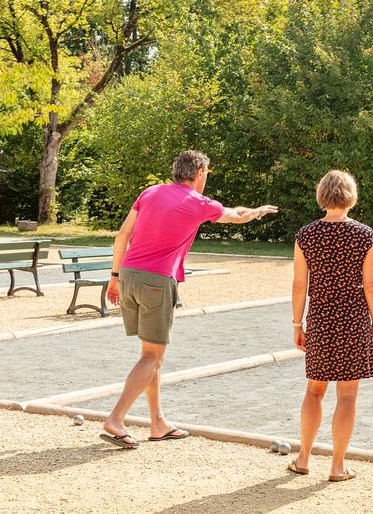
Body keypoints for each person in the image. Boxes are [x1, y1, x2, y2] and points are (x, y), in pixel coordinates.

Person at [100, 150, 278, 448]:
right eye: (206, 175)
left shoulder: (150, 192)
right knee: (151, 357)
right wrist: (258, 211)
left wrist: (114, 278)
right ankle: (116, 419)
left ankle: (158, 422)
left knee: (153, 353)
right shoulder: (198, 203)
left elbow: (122, 235)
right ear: (198, 174)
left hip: (128, 275)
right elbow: (235, 216)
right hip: (157, 280)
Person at [288, 170, 373, 482]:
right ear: (350, 197)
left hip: (321, 318)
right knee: (347, 395)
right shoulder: (365, 235)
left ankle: (302, 458)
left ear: (322, 196)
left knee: (314, 390)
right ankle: (337, 466)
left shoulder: (306, 235)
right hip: (353, 319)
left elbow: (300, 285)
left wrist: (296, 323)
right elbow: (371, 285)